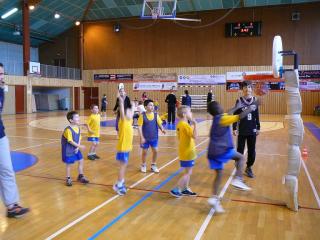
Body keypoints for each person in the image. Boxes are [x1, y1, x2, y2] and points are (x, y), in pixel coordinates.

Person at [206, 100, 258, 213]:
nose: (222, 106)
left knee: (219, 174)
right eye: (220, 105)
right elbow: (239, 116)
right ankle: (238, 179)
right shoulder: (223, 119)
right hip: (221, 149)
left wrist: (236, 107)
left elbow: (228, 113)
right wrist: (251, 107)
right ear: (218, 109)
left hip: (212, 152)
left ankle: (214, 198)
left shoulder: (218, 118)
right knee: (240, 158)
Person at [0, 63, 29, 218]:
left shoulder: (1, 90)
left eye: (2, 73)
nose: (1, 77)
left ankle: (12, 206)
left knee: (7, 170)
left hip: (0, 136)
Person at [233, 81, 260, 178]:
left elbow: (257, 115)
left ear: (251, 89)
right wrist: (234, 127)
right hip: (242, 130)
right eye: (245, 87)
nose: (247, 89)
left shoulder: (255, 100)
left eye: (249, 87)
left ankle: (249, 167)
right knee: (239, 150)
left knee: (252, 151)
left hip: (252, 130)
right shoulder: (239, 101)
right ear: (242, 89)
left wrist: (258, 127)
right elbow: (235, 115)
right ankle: (238, 168)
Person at [170, 106, 197, 197]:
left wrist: (191, 125)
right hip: (188, 152)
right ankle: (176, 189)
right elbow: (194, 136)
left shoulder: (180, 124)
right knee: (188, 173)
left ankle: (185, 189)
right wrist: (195, 125)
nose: (191, 113)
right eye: (190, 112)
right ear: (185, 114)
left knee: (187, 172)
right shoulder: (185, 125)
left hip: (183, 151)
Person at [113, 91, 134, 196]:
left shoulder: (130, 121)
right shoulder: (123, 120)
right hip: (123, 147)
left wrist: (132, 105)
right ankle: (119, 185)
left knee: (124, 166)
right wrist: (121, 100)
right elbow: (122, 109)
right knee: (122, 166)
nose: (131, 113)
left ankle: (120, 181)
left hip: (127, 147)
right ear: (125, 114)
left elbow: (132, 108)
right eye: (129, 112)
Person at [61, 111, 89, 186]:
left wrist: (78, 146)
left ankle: (81, 176)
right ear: (71, 120)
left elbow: (79, 137)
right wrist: (80, 146)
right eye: (76, 117)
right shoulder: (68, 130)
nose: (78, 118)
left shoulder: (77, 127)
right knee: (69, 164)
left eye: (78, 116)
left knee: (81, 160)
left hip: (76, 147)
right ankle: (68, 178)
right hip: (68, 150)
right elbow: (70, 141)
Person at [138, 99, 166, 173]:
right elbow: (139, 127)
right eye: (150, 105)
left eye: (153, 105)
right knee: (144, 152)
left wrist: (162, 129)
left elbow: (159, 124)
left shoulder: (156, 115)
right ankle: (143, 165)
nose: (152, 106)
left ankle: (153, 165)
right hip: (145, 138)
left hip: (154, 137)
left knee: (155, 151)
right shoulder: (142, 116)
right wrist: (142, 137)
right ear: (145, 107)